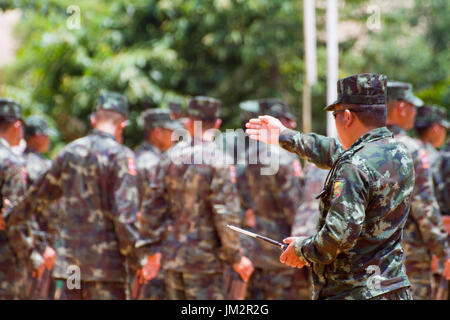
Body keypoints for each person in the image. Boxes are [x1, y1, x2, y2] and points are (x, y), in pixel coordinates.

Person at [246, 73, 421, 300]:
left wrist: (301, 250)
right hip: (392, 287)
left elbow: (338, 236)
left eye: (335, 115)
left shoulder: (354, 165)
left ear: (347, 117)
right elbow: (331, 150)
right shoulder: (398, 153)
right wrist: (284, 135)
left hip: (354, 292)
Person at [6, 91, 155, 300]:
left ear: (94, 120)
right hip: (106, 271)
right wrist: (139, 260)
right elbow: (125, 218)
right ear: (122, 125)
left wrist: (9, 217)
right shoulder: (120, 156)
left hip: (72, 269)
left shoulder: (69, 152)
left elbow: (36, 197)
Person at [143, 96, 253, 299]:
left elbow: (152, 206)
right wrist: (235, 256)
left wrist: (151, 250)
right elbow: (225, 213)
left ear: (188, 122)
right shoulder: (218, 160)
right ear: (217, 123)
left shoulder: (169, 157)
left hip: (173, 258)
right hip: (205, 262)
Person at [386, 82, 450, 300]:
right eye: (412, 107)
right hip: (408, 256)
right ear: (401, 108)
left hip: (367, 258)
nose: (415, 113)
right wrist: (444, 252)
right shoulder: (411, 148)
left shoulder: (360, 145)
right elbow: (424, 206)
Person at [235, 99, 303, 300]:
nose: (292, 127)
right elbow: (295, 211)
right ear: (279, 121)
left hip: (253, 251)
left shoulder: (246, 158)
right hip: (282, 253)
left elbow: (240, 206)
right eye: (289, 122)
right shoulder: (285, 158)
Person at [133, 109, 182, 300]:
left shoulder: (133, 156)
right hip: (154, 249)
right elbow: (155, 210)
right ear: (157, 132)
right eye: (170, 131)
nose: (174, 136)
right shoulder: (155, 163)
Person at [0, 98, 45, 299]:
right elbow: (14, 220)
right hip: (6, 261)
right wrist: (32, 256)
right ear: (17, 125)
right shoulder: (11, 162)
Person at [23, 115, 59, 299]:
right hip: (41, 245)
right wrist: (45, 245)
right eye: (45, 135)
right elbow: (47, 210)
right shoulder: (39, 167)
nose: (48, 139)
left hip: (22, 243)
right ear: (36, 136)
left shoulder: (16, 160)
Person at [290, 162, 328, 300]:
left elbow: (297, 189)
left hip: (301, 230)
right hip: (323, 235)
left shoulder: (316, 153)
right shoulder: (355, 151)